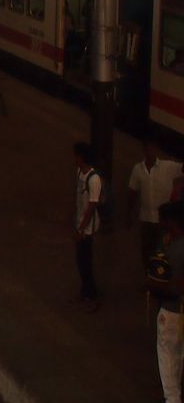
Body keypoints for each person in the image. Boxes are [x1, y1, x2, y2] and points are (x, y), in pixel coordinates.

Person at [129, 138, 183, 267]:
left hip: (164, 222)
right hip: (146, 219)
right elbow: (132, 192)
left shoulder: (167, 167)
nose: (151, 151)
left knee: (162, 250)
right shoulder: (138, 169)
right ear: (144, 150)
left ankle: (160, 278)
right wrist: (128, 214)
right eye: (149, 148)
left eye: (154, 148)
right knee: (146, 250)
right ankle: (149, 275)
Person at [152, 202, 184, 403]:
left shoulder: (172, 247)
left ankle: (173, 399)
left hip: (171, 310)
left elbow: (175, 285)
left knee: (167, 358)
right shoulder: (171, 241)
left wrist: (152, 286)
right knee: (179, 356)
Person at [74, 141, 102, 312]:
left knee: (86, 262)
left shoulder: (94, 179)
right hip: (80, 224)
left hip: (87, 229)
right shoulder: (79, 173)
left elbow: (92, 206)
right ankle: (85, 293)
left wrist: (82, 228)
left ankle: (92, 296)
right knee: (81, 261)